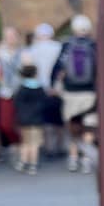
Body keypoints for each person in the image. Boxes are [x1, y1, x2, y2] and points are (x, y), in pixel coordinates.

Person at [52, 14, 97, 173]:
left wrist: (54, 86)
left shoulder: (67, 46)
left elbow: (57, 69)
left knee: (73, 127)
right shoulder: (94, 46)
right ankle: (86, 159)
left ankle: (73, 158)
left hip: (70, 94)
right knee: (88, 127)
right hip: (90, 94)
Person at [26, 23, 65, 157]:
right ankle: (59, 146)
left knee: (45, 120)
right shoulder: (59, 48)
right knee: (58, 119)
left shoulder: (32, 49)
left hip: (38, 88)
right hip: (56, 89)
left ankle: (49, 147)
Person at [13, 63, 47, 175]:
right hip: (37, 119)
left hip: (24, 119)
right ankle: (33, 164)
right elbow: (45, 103)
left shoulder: (21, 88)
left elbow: (16, 104)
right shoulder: (40, 88)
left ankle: (23, 162)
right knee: (35, 143)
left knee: (25, 141)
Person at [0, 26, 23, 152]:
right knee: (5, 124)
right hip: (5, 92)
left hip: (21, 92)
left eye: (12, 36)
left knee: (21, 122)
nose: (10, 39)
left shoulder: (24, 52)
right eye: (7, 36)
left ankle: (23, 148)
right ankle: (16, 142)